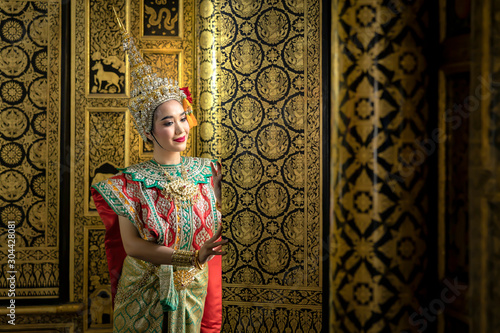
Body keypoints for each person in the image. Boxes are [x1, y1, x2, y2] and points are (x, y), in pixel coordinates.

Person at [90, 13, 226, 332]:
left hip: (194, 290)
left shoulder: (209, 171)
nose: (180, 129)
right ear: (148, 132)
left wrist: (217, 209)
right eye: (167, 122)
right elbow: (133, 246)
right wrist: (191, 256)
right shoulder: (130, 181)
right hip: (142, 296)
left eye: (182, 118)